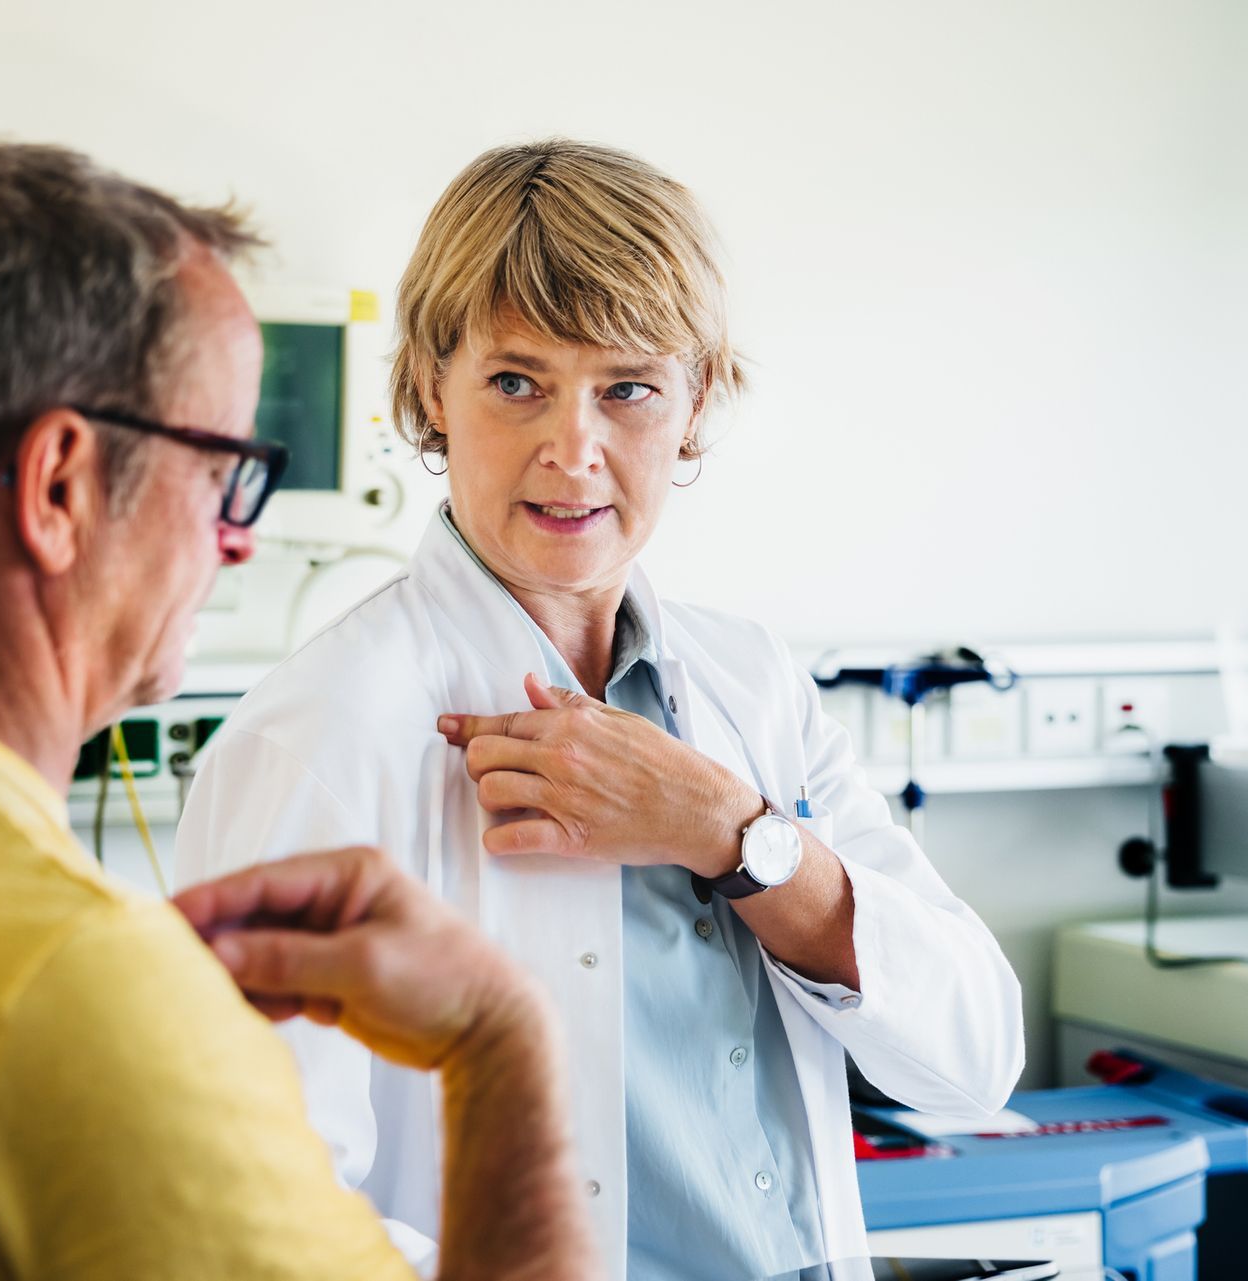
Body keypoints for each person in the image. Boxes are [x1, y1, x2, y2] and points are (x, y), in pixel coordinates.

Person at [0, 141, 594, 1281]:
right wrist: (500, 1048)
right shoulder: (79, 991)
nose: (240, 538)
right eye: (226, 471)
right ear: (61, 488)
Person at [177, 138, 1027, 1280]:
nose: (572, 452)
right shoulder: (323, 733)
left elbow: (972, 1062)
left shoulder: (750, 685)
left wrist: (733, 836)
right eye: (516, 383)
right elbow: (250, 1211)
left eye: (627, 388)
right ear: (433, 388)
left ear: (696, 403)